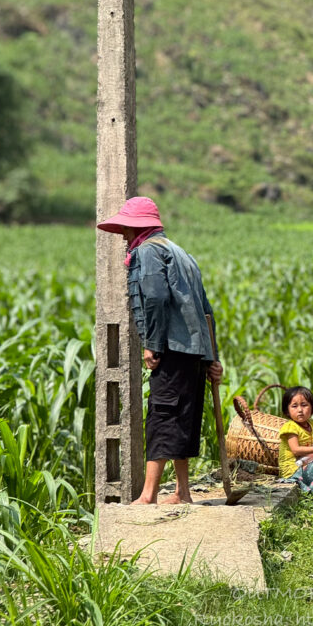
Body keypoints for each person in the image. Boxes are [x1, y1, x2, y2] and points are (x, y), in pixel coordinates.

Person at [97, 196, 223, 505]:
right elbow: (205, 310)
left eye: (126, 229)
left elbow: (153, 298)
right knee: (183, 416)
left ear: (136, 227)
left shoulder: (148, 251)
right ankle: (182, 491)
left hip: (173, 348)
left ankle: (149, 494)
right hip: (194, 350)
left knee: (163, 414)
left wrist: (151, 344)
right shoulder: (181, 253)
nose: (125, 236)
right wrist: (211, 357)